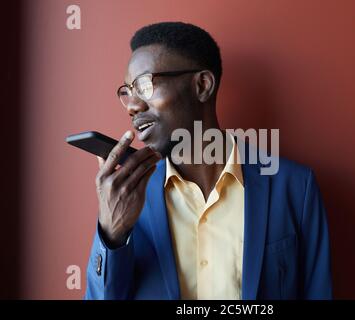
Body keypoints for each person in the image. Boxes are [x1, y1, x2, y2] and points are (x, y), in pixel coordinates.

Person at [85, 21, 332, 300]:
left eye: (145, 85)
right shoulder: (128, 199)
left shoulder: (295, 188)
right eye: (128, 91)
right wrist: (112, 234)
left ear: (202, 85)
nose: (133, 105)